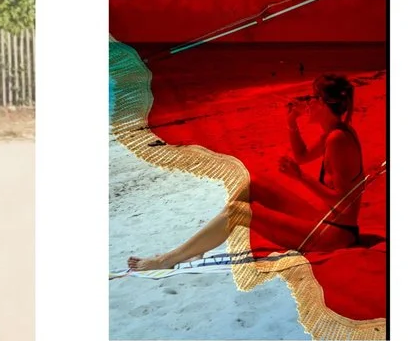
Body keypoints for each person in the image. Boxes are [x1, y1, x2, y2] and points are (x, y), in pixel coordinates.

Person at [125, 72, 367, 274]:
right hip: (327, 222)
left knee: (238, 212)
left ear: (324, 104)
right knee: (255, 184)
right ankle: (198, 245)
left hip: (333, 236)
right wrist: (292, 124)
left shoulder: (338, 139)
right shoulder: (334, 132)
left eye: (313, 98)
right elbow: (302, 156)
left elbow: (342, 199)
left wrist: (299, 177)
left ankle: (167, 259)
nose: (308, 102)